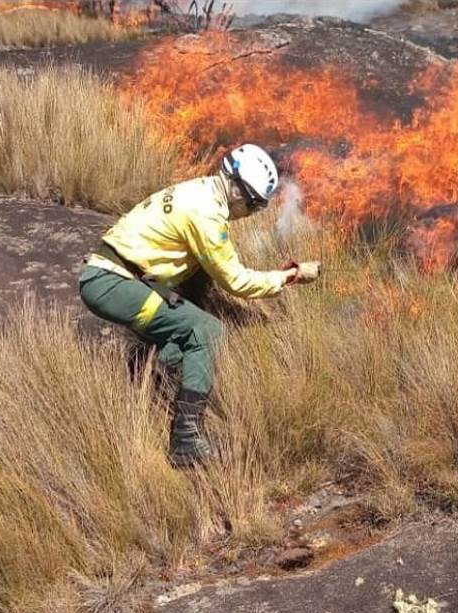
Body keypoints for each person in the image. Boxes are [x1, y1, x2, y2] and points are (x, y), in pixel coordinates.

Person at [78, 144, 320, 467]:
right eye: (253, 204)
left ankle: (149, 378)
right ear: (236, 189)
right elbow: (237, 282)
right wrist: (290, 275)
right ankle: (186, 439)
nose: (252, 213)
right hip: (111, 283)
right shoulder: (207, 215)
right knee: (206, 330)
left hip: (115, 275)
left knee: (185, 323)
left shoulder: (200, 191)